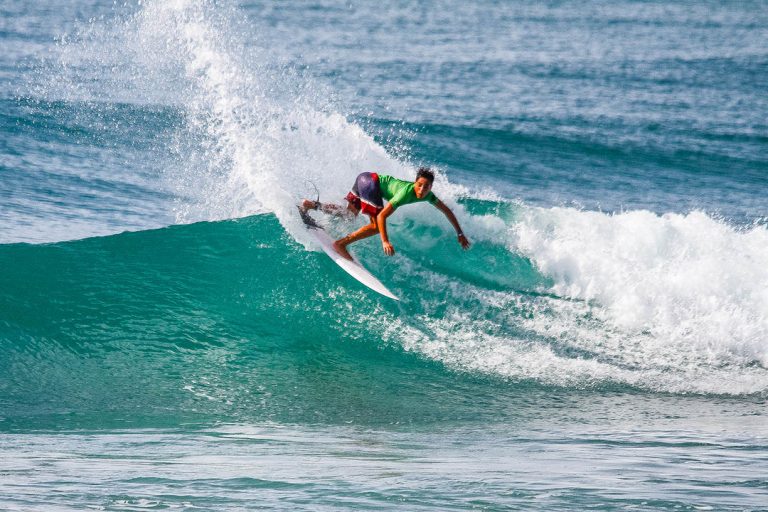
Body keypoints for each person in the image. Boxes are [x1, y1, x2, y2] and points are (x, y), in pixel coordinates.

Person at [301, 167, 470, 260]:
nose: (421, 189)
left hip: (364, 177)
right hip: (371, 184)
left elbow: (447, 211)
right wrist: (385, 241)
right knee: (376, 227)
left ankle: (311, 205)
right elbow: (382, 216)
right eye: (419, 185)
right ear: (415, 182)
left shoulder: (430, 197)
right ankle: (341, 244)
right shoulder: (405, 193)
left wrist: (460, 233)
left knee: (349, 215)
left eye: (426, 187)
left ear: (431, 187)